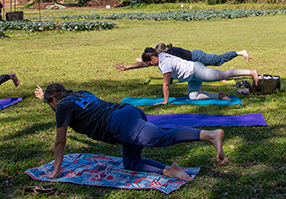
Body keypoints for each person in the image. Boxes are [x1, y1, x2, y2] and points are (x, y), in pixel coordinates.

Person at [34, 83, 226, 181]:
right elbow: (70, 104)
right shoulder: (79, 94)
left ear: (53, 100)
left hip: (120, 123)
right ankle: (170, 170)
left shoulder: (62, 107)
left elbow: (60, 142)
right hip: (127, 112)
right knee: (131, 163)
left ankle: (210, 135)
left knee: (160, 137)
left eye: (49, 103)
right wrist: (45, 95)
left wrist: (56, 171)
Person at [141, 48, 259, 104]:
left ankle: (250, 72)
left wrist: (165, 101)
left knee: (222, 75)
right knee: (194, 97)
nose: (150, 65)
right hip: (191, 77)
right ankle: (219, 95)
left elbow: (166, 85)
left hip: (196, 70)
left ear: (152, 58)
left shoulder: (164, 64)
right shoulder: (161, 54)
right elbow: (144, 61)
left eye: (149, 63)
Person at [116, 43, 250, 72]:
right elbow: (146, 63)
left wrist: (141, 62)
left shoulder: (169, 54)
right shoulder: (165, 54)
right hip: (193, 63)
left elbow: (145, 64)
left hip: (197, 57)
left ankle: (239, 52)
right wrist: (128, 67)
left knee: (218, 61)